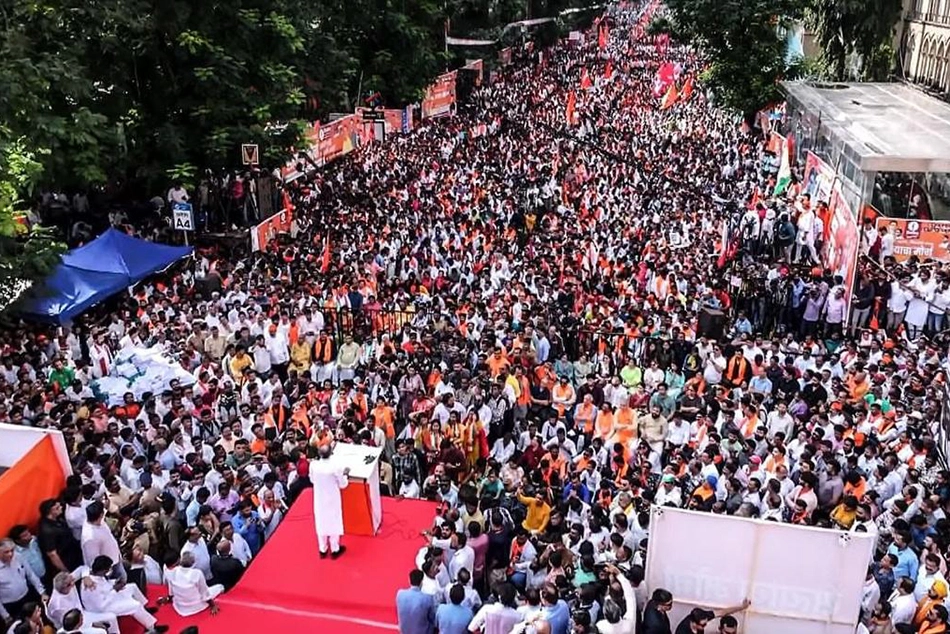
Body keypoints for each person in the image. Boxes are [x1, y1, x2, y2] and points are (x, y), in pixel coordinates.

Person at [80, 556, 167, 633]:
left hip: (110, 595)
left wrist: (115, 583)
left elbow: (104, 585)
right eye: (108, 568)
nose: (109, 570)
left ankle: (144, 609)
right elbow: (101, 605)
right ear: (103, 570)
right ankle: (152, 627)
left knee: (132, 587)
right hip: (104, 607)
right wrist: (115, 590)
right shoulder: (91, 586)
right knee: (135, 605)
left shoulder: (94, 575)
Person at [309, 443, 350, 559]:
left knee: (321, 522)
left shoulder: (313, 465)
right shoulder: (336, 466)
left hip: (319, 498)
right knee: (333, 521)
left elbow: (312, 480)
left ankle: (322, 549)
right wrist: (346, 474)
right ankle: (335, 549)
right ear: (331, 452)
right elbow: (343, 484)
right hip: (332, 498)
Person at [47, 571, 120, 633]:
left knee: (111, 617)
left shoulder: (68, 581)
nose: (73, 583)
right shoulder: (58, 605)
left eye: (72, 580)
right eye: (70, 583)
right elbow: (70, 625)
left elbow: (82, 568)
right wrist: (92, 624)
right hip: (74, 628)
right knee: (101, 632)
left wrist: (85, 576)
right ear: (64, 588)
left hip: (83, 615)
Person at [0, 539, 45, 629]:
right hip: (12, 606)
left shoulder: (18, 557)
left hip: (27, 596)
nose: (10, 554)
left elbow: (31, 575)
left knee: (38, 621)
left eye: (12, 550)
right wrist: (5, 615)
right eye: (6, 552)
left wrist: (42, 592)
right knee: (22, 628)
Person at [163, 551, 223, 617]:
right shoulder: (197, 573)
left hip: (180, 606)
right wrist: (213, 605)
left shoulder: (171, 571)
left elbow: (171, 591)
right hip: (196, 606)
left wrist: (169, 599)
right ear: (193, 563)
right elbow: (204, 593)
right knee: (220, 587)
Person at [396, 569, 435, 634]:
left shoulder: (400, 594)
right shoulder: (427, 598)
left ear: (409, 580)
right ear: (422, 582)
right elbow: (432, 619)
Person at [673, 601, 750, 634]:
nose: (705, 626)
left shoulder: (703, 617)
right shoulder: (682, 631)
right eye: (703, 625)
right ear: (693, 623)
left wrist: (742, 607)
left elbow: (723, 612)